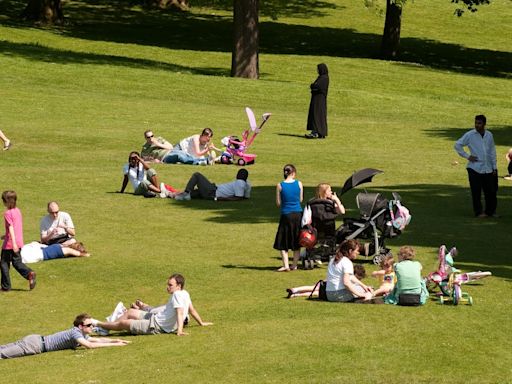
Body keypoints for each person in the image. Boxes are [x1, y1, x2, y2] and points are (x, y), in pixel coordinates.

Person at [92, 274, 212, 336]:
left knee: (124, 323)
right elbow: (192, 310)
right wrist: (201, 323)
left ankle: (98, 324)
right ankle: (104, 329)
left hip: (157, 326)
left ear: (178, 286)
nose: (167, 287)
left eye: (170, 285)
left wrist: (179, 331)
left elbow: (180, 313)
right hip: (156, 318)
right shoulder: (185, 293)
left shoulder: (177, 295)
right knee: (130, 312)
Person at [0, 313, 129, 359]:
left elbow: (98, 339)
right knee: (2, 354)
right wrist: (116, 345)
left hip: (36, 340)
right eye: (89, 325)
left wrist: (116, 339)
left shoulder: (81, 334)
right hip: (34, 345)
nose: (92, 327)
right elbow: (90, 345)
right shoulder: (75, 333)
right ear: (80, 326)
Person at [454, 115, 498, 217]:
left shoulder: (489, 135)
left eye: (479, 123)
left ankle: (490, 212)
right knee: (476, 192)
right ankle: (479, 212)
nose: (477, 125)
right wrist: (467, 156)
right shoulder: (470, 135)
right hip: (475, 168)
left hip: (488, 168)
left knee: (491, 192)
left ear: (484, 124)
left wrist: (494, 167)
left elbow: (492, 151)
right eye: (476, 123)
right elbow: (457, 145)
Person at [1, 191, 36, 292]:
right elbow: (16, 226)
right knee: (17, 262)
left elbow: (11, 227)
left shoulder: (7, 213)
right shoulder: (17, 211)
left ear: (7, 202)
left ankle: (5, 286)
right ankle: (29, 273)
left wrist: (13, 243)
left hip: (10, 244)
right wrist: (5, 236)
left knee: (4, 263)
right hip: (18, 241)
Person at [274, 164, 303, 272]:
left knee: (283, 239)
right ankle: (294, 265)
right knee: (296, 239)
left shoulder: (280, 185)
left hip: (286, 214)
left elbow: (278, 203)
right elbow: (300, 199)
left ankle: (286, 265)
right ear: (294, 173)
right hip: (297, 214)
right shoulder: (299, 183)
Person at [286, 263, 367, 299]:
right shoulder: (349, 276)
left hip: (327, 285)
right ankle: (295, 292)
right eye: (359, 277)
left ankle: (295, 292)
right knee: (314, 290)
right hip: (328, 285)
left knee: (314, 290)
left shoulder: (348, 274)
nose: (359, 279)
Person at [174, 169, 251, 201]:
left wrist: (220, 199)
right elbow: (246, 197)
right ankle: (169, 194)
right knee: (188, 195)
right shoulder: (246, 184)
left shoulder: (239, 182)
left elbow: (238, 198)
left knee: (197, 175)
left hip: (212, 191)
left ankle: (186, 192)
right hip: (212, 191)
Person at [305, 63, 329, 139]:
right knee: (318, 115)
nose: (317, 71)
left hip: (319, 100)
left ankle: (315, 132)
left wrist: (313, 85)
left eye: (318, 69)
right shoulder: (322, 77)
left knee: (316, 115)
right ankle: (320, 132)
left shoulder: (324, 78)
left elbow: (317, 86)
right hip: (318, 99)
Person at [21, 241, 89, 263]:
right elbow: (78, 254)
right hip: (37, 253)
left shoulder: (61, 245)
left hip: (35, 249)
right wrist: (86, 254)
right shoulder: (66, 250)